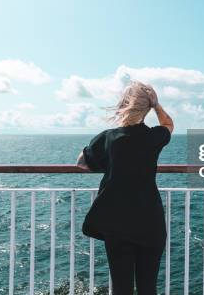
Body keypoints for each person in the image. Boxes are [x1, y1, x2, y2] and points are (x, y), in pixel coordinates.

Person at [76, 81, 174, 295]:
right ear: (146, 109)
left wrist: (112, 162)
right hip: (150, 222)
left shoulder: (109, 138)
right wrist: (157, 105)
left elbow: (82, 162)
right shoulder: (153, 137)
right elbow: (169, 125)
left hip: (118, 224)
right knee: (148, 288)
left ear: (123, 104)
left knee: (121, 288)